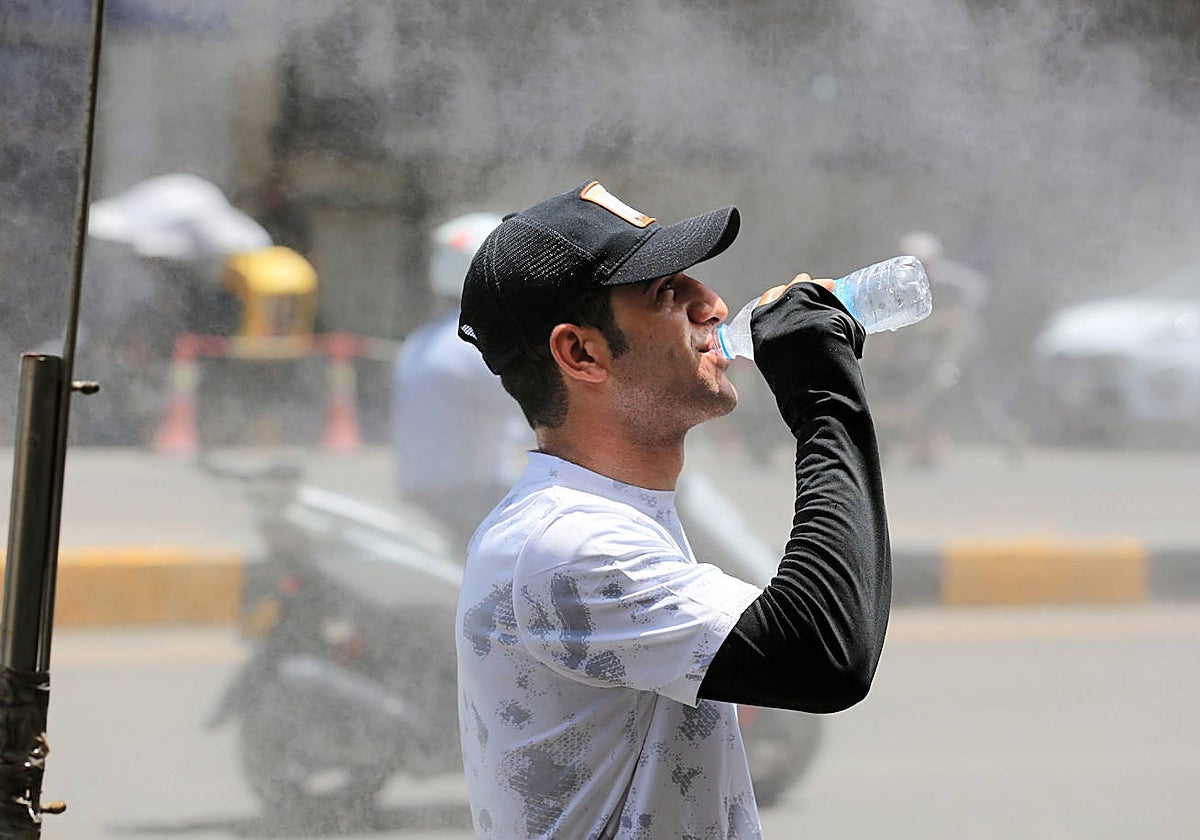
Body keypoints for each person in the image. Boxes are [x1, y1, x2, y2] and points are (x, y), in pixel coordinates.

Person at [454, 180, 891, 838]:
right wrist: (821, 393)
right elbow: (824, 653)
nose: (713, 305)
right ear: (581, 353)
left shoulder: (606, 512)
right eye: (667, 294)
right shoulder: (567, 545)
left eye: (695, 284)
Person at [392, 213, 534, 546]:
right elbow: (543, 409)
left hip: (427, 491)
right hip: (469, 495)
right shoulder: (476, 344)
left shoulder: (425, 338)